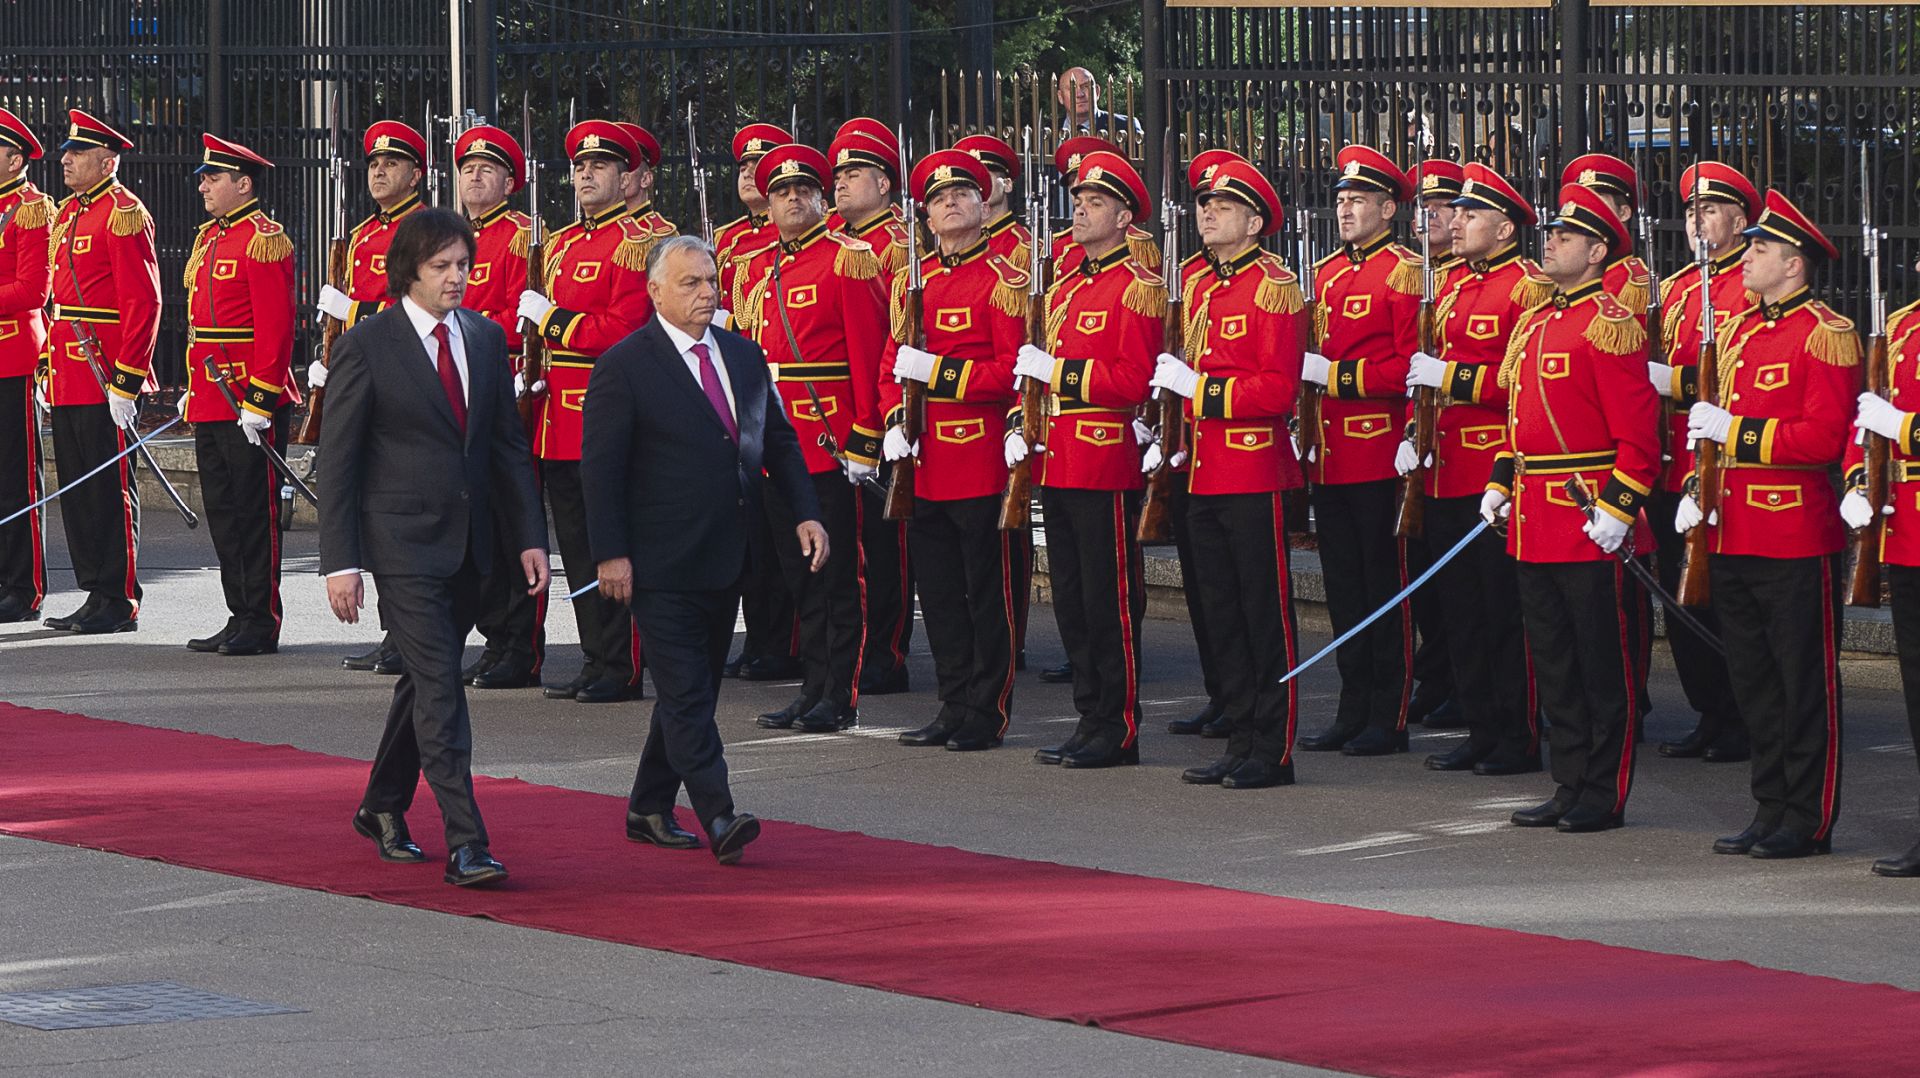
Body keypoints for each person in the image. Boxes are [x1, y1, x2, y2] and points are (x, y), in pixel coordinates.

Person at [319, 207, 548, 887]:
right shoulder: (367, 344)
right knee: (444, 686)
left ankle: (382, 804)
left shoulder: (483, 337)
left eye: (464, 266)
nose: (457, 279)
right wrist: (341, 562)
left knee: (426, 676)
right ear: (408, 272)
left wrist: (532, 539)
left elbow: (507, 448)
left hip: (472, 546)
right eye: (442, 267)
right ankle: (467, 842)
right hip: (402, 545)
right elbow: (340, 460)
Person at [582, 234, 828, 865]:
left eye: (711, 282)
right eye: (690, 283)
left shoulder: (744, 358)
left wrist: (805, 512)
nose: (706, 294)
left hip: (727, 554)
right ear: (656, 290)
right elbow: (601, 472)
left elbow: (778, 441)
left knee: (691, 691)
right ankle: (718, 813)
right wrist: (609, 554)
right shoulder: (625, 365)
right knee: (688, 692)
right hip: (658, 561)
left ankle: (648, 805)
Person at [1680, 190, 1855, 859]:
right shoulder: (1742, 331)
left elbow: (1822, 438)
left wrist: (1739, 434)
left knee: (1802, 682)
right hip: (1733, 531)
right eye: (1748, 246)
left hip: (1793, 534)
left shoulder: (1826, 332)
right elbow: (1710, 428)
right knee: (1753, 680)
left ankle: (1806, 819)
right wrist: (1700, 484)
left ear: (1794, 264)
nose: (1745, 258)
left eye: (1759, 249)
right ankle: (1768, 806)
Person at [1488, 182, 1659, 834]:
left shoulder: (1610, 324)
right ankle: (1568, 781)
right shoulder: (1536, 322)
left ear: (1595, 251)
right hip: (1535, 517)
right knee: (1554, 661)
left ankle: (1602, 790)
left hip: (1588, 515)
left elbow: (1638, 437)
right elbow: (1519, 422)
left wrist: (1619, 509)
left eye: (1563, 235)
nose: (1550, 241)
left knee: (1599, 661)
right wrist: (1502, 482)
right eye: (1551, 232)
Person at [1151, 149, 1307, 787]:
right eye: (1205, 205)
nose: (1207, 214)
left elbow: (1276, 392)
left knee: (1262, 616)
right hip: (1203, 470)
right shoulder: (1200, 285)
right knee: (1220, 613)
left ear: (1253, 222)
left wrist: (1200, 391)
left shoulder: (1273, 284)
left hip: (1252, 473)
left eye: (1223, 207)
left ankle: (1272, 747)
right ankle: (1239, 736)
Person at [731, 142, 888, 733]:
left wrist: (865, 438)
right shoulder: (758, 265)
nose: (792, 198)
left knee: (837, 575)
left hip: (828, 443)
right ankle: (812, 685)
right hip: (774, 446)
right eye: (781, 191)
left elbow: (870, 355)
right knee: (798, 575)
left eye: (804, 190)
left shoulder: (848, 258)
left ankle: (839, 693)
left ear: (823, 199)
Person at [1400, 163, 1550, 775]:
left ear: (1506, 226)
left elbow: (1521, 386)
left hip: (1494, 471)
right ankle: (1481, 726)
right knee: (1460, 610)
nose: (1454, 223)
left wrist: (1451, 379)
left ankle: (1516, 734)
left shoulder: (1528, 287)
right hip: (1442, 466)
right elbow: (1424, 372)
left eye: (1469, 214)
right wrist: (1415, 428)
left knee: (1503, 614)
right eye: (1455, 213)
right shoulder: (1453, 285)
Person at [1012, 148, 1159, 770]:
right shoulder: (1068, 284)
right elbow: (1033, 370)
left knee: (1109, 599)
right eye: (1079, 201)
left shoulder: (1140, 288)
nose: (1080, 210)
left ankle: (1118, 724)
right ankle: (1087, 714)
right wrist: (1022, 419)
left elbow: (1134, 380)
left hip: (1105, 459)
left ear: (1126, 216)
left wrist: (1061, 374)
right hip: (1058, 459)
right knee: (1070, 598)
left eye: (1095, 203)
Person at [882, 149, 1025, 752]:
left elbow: (1011, 372)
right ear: (926, 217)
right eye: (939, 199)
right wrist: (894, 417)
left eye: (962, 194)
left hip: (980, 458)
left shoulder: (1004, 279)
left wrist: (938, 375)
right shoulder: (915, 282)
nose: (950, 203)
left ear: (982, 203)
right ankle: (951, 701)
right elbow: (891, 364)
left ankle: (986, 711)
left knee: (987, 594)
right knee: (938, 595)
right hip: (925, 460)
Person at [518, 119, 654, 704]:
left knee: (613, 543)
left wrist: (550, 322)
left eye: (600, 166)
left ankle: (623, 663)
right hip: (557, 416)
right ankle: (596, 656)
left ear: (629, 178)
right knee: (575, 547)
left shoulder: (638, 242)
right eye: (579, 167)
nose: (586, 175)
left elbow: (623, 330)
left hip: (607, 414)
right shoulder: (567, 244)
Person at [1294, 145, 1420, 756]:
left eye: (1358, 201)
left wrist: (1336, 377)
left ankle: (1387, 712)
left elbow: (1407, 367)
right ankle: (1351, 704)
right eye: (1340, 200)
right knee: (1343, 586)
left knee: (1383, 586)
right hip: (1332, 451)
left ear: (1388, 208)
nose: (1344, 210)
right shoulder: (1327, 272)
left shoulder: (1403, 271)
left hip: (1376, 450)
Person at [1646, 161, 1757, 764]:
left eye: (1710, 211)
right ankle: (1709, 710)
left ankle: (1741, 713)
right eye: (1691, 213)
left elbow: (1740, 376)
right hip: (1672, 463)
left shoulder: (1750, 283)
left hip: (1722, 460)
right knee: (1680, 593)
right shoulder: (1682, 287)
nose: (1698, 222)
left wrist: (1676, 381)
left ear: (1740, 221)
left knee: (1724, 596)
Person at [313, 119, 428, 675]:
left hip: (404, 378)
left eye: (392, 164)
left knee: (400, 510)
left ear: (415, 174)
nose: (379, 171)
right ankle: (392, 631)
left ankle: (411, 633)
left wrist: (351, 316)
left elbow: (415, 311)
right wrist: (328, 360)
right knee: (372, 512)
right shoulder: (358, 236)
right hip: (363, 382)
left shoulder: (423, 232)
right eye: (374, 163)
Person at [43, 109, 161, 636]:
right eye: (67, 152)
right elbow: (57, 301)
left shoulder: (123, 212)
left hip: (103, 368)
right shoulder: (69, 214)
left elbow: (145, 301)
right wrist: (47, 362)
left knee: (109, 486)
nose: (65, 159)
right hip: (68, 371)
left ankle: (119, 597)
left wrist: (127, 380)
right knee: (76, 486)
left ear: (106, 160)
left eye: (77, 152)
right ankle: (93, 589)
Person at [179, 134, 296, 656]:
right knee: (223, 511)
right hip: (211, 394)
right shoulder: (210, 239)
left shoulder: (264, 238)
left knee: (254, 512)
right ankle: (238, 612)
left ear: (243, 184)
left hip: (247, 396)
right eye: (205, 178)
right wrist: (190, 389)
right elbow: (198, 326)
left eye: (214, 177)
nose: (204, 185)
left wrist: (262, 397)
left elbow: (277, 327)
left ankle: (261, 619)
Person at [452, 124, 548, 690]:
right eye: (467, 168)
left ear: (511, 182)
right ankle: (493, 636)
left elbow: (521, 324)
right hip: (456, 392)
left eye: (487, 169)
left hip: (504, 389)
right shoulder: (450, 235)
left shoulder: (519, 237)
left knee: (514, 522)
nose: (474, 176)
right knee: (477, 523)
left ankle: (520, 642)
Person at [830, 120, 917, 696]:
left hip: (881, 415)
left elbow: (894, 338)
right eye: (836, 174)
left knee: (884, 551)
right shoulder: (830, 242)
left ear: (885, 184)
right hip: (834, 413)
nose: (840, 183)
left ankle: (886, 651)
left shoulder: (897, 245)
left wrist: (882, 421)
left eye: (854, 173)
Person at [714, 121, 802, 682]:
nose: (751, 173)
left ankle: (783, 640)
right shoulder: (725, 240)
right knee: (750, 535)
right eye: (745, 166)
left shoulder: (792, 240)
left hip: (789, 399)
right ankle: (758, 638)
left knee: (785, 536)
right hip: (737, 394)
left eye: (761, 164)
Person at [1848, 282, 1920, 877]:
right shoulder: (1897, 328)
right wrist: (1855, 482)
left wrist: (1905, 427)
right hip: (1907, 536)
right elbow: (1863, 421)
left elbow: (1890, 421)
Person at [1400, 158, 1465, 732]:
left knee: (1462, 586)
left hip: (1464, 446)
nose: (1430, 219)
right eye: (1424, 209)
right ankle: (1438, 674)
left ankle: (1454, 680)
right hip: (1425, 442)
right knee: (1427, 574)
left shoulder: (1459, 278)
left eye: (1441, 209)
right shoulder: (1418, 274)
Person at [0, 107, 52, 625]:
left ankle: (24, 586)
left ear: (15, 158)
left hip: (13, 353)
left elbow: (32, 290)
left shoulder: (30, 209)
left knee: (17, 477)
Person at [1055, 67, 1143, 142]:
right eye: (1072, 89)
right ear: (1060, 97)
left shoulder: (1126, 126)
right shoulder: (1047, 129)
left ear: (1097, 92)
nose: (1079, 94)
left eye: (1085, 86)